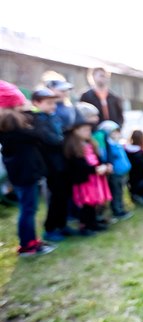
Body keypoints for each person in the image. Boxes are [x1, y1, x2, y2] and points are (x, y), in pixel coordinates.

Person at [0, 80, 56, 256]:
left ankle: (31, 241)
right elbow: (36, 135)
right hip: (24, 173)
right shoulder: (11, 122)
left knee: (29, 208)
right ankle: (27, 244)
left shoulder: (12, 122)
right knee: (28, 209)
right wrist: (37, 115)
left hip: (22, 172)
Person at [28, 88, 78, 241]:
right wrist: (63, 139)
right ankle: (50, 229)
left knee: (64, 196)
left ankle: (62, 225)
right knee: (56, 197)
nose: (53, 106)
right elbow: (52, 140)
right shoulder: (37, 120)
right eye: (49, 103)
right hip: (51, 166)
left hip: (62, 163)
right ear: (37, 103)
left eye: (54, 103)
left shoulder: (53, 117)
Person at [64, 112, 112, 236]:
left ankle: (93, 223)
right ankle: (85, 226)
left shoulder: (90, 143)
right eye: (85, 130)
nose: (88, 132)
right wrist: (94, 169)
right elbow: (78, 164)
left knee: (94, 203)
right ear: (76, 131)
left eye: (89, 130)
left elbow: (98, 157)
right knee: (87, 204)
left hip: (94, 178)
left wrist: (104, 165)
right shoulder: (72, 146)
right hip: (84, 180)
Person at [95, 119, 133, 221]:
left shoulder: (117, 143)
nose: (116, 134)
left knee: (120, 192)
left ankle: (121, 208)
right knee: (116, 192)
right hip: (115, 173)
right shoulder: (108, 146)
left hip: (122, 172)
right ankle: (117, 210)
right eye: (113, 132)